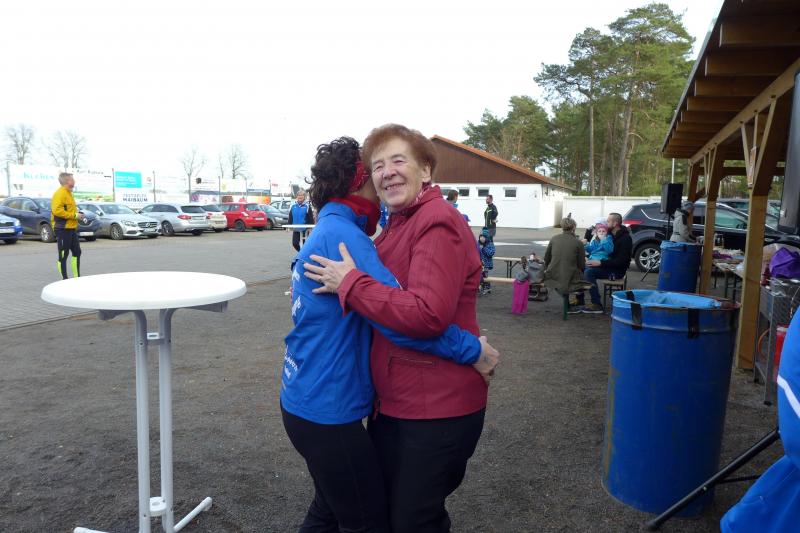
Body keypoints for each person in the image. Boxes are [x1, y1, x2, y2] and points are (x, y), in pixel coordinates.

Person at [283, 136, 499, 533]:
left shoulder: (330, 228)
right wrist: (472, 349)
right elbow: (403, 321)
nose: (384, 177)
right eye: (376, 168)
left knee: (330, 509)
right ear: (360, 182)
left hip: (306, 399)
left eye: (396, 162)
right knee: (366, 522)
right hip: (329, 408)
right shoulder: (345, 236)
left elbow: (403, 310)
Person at [579, 212, 633, 313]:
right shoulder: (610, 234)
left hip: (617, 270)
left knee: (589, 272)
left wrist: (600, 263)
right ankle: (579, 300)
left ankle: (596, 304)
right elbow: (598, 249)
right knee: (581, 268)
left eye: (608, 221)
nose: (606, 223)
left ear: (615, 223)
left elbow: (622, 261)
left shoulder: (625, 239)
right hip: (607, 265)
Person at [543, 217, 586, 313]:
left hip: (552, 275)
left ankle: (571, 303)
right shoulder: (578, 242)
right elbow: (581, 264)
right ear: (574, 227)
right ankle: (580, 302)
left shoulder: (554, 239)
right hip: (570, 277)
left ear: (562, 227)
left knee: (565, 275)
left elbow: (546, 258)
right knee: (585, 277)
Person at [51, 172, 85, 279]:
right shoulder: (59, 194)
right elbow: (57, 211)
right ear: (67, 181)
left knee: (77, 252)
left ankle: (77, 277)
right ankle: (64, 280)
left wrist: (78, 214)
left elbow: (68, 210)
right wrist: (74, 215)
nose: (74, 181)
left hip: (71, 228)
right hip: (62, 229)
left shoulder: (69, 193)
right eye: (72, 179)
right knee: (63, 255)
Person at [478, 228, 495, 295]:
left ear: (486, 238)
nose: (482, 238)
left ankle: (487, 288)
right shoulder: (478, 244)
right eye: (480, 237)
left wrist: (484, 248)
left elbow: (491, 253)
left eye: (483, 237)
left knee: (485, 276)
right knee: (479, 275)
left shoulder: (490, 244)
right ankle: (481, 287)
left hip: (486, 264)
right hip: (479, 263)